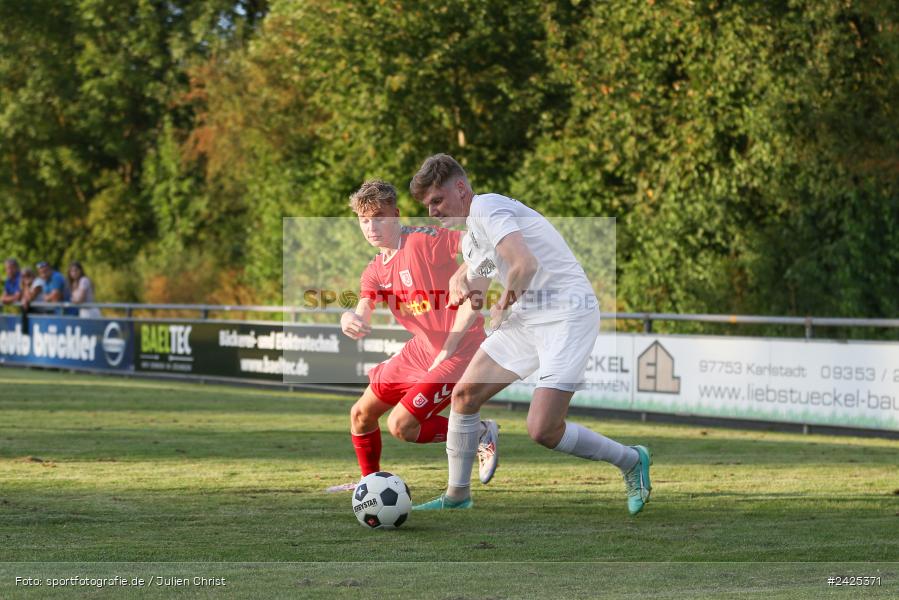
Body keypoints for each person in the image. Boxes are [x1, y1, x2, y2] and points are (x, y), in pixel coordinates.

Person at [409, 154, 652, 515]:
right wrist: (463, 286)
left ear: (461, 188)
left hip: (567, 314)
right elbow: (485, 275)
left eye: (437, 201)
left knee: (543, 429)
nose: (432, 212)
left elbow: (525, 264)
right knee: (464, 395)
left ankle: (631, 460)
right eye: (427, 205)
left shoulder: (487, 208)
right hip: (526, 317)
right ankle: (457, 495)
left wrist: (503, 303)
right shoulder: (471, 239)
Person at [337, 179, 498, 487]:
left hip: (462, 348)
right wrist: (350, 318)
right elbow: (363, 308)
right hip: (421, 350)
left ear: (396, 215)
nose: (371, 227)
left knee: (402, 426)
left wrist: (466, 271)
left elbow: (486, 250)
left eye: (380, 217)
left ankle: (479, 433)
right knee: (360, 414)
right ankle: (369, 484)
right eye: (364, 220)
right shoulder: (374, 270)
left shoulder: (423, 241)